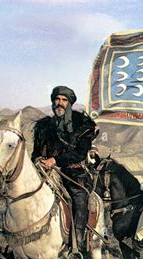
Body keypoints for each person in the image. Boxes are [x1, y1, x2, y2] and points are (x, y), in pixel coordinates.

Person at [32, 85, 99, 247]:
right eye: (57, 99)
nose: (59, 103)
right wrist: (38, 159)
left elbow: (80, 153)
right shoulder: (44, 126)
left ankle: (76, 245)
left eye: (64, 100)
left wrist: (55, 160)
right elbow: (35, 152)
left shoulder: (82, 125)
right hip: (45, 172)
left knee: (80, 199)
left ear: (69, 103)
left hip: (73, 172)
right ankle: (19, 242)